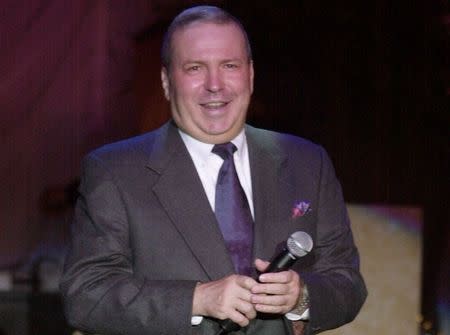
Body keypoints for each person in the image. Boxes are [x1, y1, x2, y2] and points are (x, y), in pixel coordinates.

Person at [60, 5, 367, 335]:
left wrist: (301, 297)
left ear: (250, 75)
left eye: (229, 66)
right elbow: (85, 296)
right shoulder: (114, 170)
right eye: (195, 68)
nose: (215, 84)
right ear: (166, 81)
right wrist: (196, 299)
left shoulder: (307, 161)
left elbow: (347, 284)